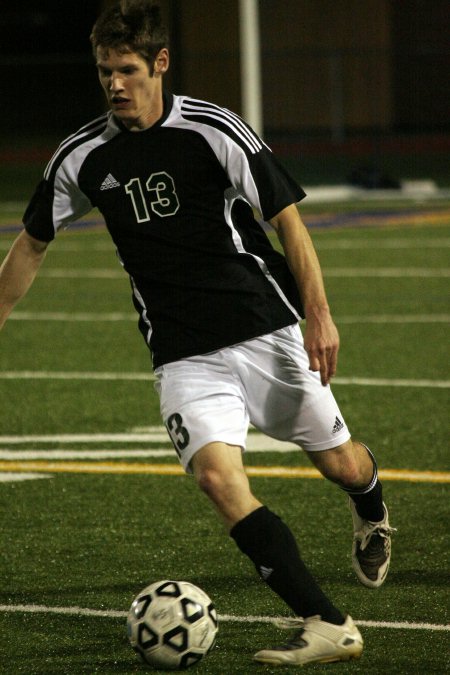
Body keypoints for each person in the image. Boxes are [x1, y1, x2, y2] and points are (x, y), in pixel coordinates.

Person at [0, 0, 395, 667]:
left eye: (127, 69)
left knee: (341, 462)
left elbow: (287, 221)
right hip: (182, 352)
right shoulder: (84, 156)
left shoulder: (212, 129)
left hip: (263, 327)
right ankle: (327, 621)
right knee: (217, 477)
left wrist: (319, 313)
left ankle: (371, 505)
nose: (115, 85)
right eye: (104, 72)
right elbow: (31, 245)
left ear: (159, 63)